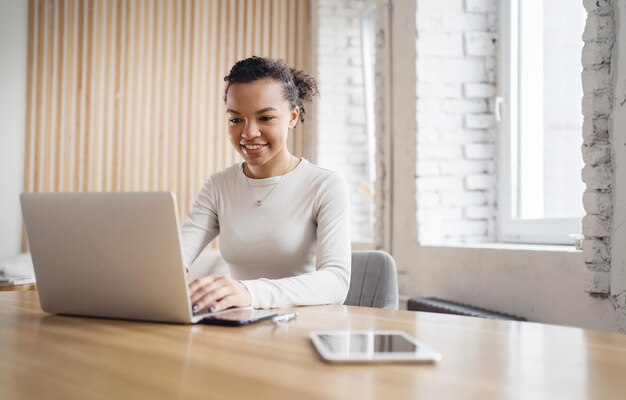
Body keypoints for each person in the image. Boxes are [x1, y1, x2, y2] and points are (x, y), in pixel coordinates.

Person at [181, 56, 351, 313]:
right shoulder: (218, 186)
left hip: (302, 328)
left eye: (266, 118)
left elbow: (336, 282)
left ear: (293, 117)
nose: (248, 133)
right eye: (236, 120)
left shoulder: (325, 186)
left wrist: (249, 292)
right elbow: (177, 258)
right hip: (239, 327)